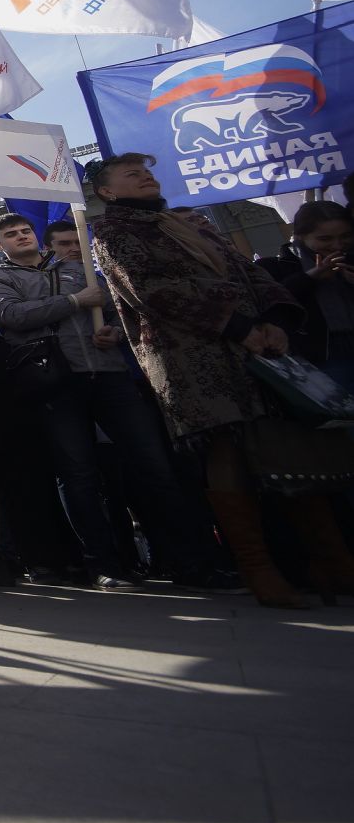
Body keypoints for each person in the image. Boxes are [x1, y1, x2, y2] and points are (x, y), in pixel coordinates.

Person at [88, 154, 354, 608]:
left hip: (260, 350)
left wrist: (274, 320)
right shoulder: (115, 233)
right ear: (107, 192)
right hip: (194, 358)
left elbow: (250, 272)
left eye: (147, 171)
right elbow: (154, 291)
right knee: (226, 450)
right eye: (132, 174)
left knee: (283, 447)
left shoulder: (190, 223)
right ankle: (260, 571)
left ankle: (328, 560)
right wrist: (237, 326)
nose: (146, 177)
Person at [0, 208, 238, 594]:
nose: (22, 236)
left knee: (153, 466)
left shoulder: (79, 268)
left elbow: (121, 310)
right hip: (55, 383)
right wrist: (75, 302)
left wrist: (114, 332)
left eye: (25, 230)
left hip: (108, 374)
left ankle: (190, 562)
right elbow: (11, 315)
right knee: (78, 473)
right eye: (12, 234)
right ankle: (102, 564)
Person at [257, 200, 354, 392]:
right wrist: (311, 277)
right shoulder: (278, 267)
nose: (337, 245)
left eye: (345, 236)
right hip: (323, 355)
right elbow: (275, 303)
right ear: (300, 237)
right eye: (325, 239)